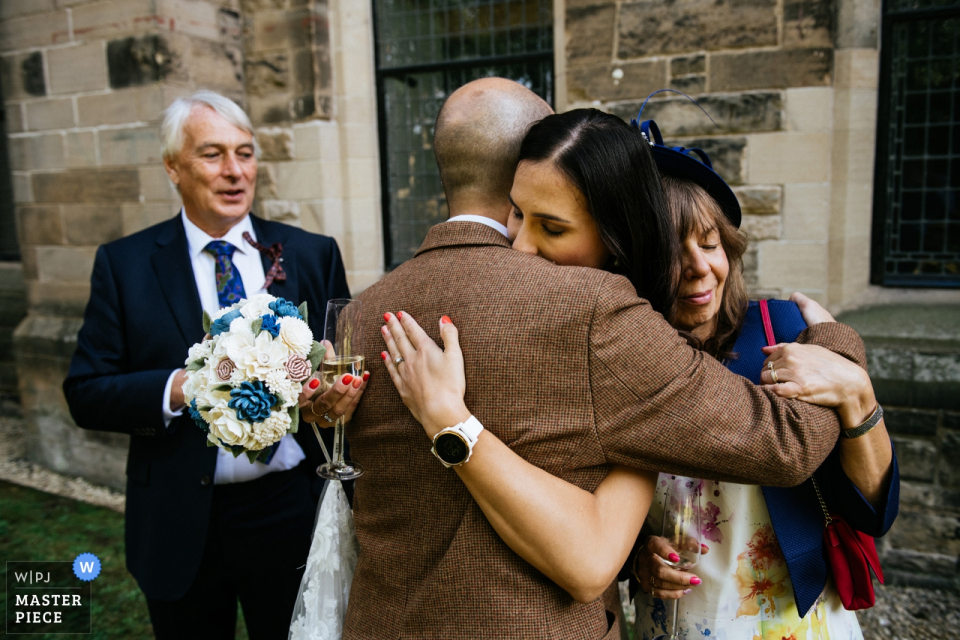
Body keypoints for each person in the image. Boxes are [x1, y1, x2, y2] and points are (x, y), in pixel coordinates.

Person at [344, 81, 870, 640]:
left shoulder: (362, 312)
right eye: (523, 216)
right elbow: (785, 446)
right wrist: (836, 343)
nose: (522, 250)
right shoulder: (593, 311)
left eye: (552, 226)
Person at [62, 90, 366, 639]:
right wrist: (181, 388)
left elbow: (338, 368)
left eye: (245, 153)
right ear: (173, 167)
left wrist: (331, 399)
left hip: (288, 508)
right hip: (178, 517)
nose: (234, 171)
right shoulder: (125, 264)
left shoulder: (309, 253)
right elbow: (86, 390)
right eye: (212, 154)